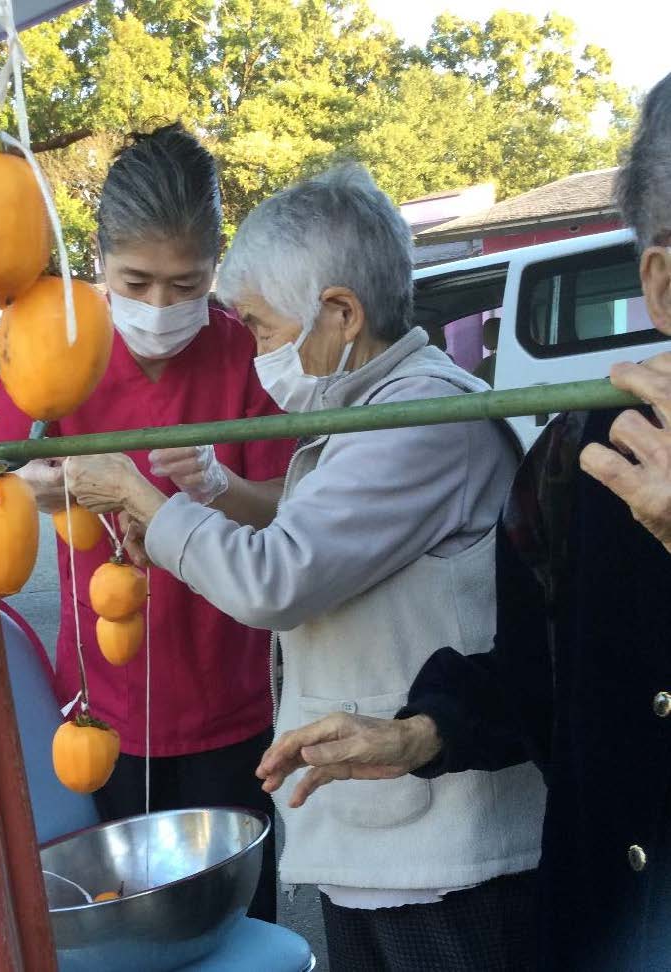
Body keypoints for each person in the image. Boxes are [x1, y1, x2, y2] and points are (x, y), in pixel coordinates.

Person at [65, 162, 546, 971]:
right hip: (381, 824)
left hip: (439, 845)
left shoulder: (418, 423)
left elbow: (276, 577)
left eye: (259, 326)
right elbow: (314, 528)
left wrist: (138, 496)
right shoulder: (366, 415)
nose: (252, 349)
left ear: (341, 313)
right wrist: (214, 493)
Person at [256, 73, 671, 971]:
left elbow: (275, 573)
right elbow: (539, 674)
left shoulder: (430, 415)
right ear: (663, 285)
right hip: (607, 920)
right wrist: (419, 732)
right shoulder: (586, 457)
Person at [0, 122, 292, 923]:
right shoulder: (56, 347)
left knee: (237, 924)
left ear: (215, 270)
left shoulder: (243, 352)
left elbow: (292, 501)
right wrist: (32, 484)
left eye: (188, 285)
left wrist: (223, 487)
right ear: (99, 262)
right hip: (100, 706)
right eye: (139, 280)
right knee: (123, 921)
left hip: (234, 698)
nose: (161, 307)